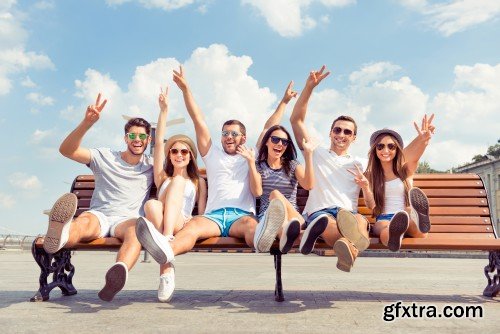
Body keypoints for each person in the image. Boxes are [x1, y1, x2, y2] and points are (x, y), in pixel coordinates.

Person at [136, 66, 272, 284]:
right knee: (192, 228)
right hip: (213, 216)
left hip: (241, 215)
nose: (228, 137)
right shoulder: (211, 153)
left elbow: (269, 128)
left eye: (234, 134)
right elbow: (198, 119)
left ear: (243, 138)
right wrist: (185, 89)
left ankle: (262, 240)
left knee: (251, 226)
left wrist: (284, 101)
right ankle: (167, 251)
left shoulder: (251, 154)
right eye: (225, 133)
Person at [44, 93, 154, 302]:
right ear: (125, 138)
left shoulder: (151, 165)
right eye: (132, 136)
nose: (137, 140)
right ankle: (61, 236)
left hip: (127, 220)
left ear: (149, 140)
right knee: (83, 222)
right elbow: (66, 150)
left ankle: (118, 272)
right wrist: (87, 123)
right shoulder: (104, 156)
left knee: (136, 232)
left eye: (142, 137)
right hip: (100, 215)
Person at [290, 65, 372, 272]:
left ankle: (349, 250)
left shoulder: (361, 162)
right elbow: (296, 120)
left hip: (348, 213)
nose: (341, 134)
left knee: (360, 221)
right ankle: (351, 250)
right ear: (330, 132)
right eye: (337, 130)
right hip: (321, 212)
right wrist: (309, 87)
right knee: (328, 224)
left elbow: (391, 169)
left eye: (347, 132)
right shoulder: (316, 151)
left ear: (354, 137)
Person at [138, 86, 207, 302]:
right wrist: (164, 110)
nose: (178, 154)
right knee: (151, 205)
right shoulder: (162, 178)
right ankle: (166, 270)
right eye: (174, 151)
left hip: (181, 223)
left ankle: (165, 241)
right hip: (161, 220)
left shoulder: (198, 181)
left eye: (184, 151)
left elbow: (202, 213)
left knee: (177, 182)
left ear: (190, 156)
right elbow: (158, 143)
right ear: (170, 155)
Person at [252, 81, 318, 254]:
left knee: (278, 199)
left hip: (294, 216)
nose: (279, 144)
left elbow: (309, 185)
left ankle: (292, 230)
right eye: (275, 139)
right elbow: (268, 127)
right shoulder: (259, 165)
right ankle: (298, 237)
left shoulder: (292, 165)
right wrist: (284, 101)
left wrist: (309, 155)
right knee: (277, 212)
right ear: (266, 142)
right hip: (268, 218)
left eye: (284, 141)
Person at [351, 116, 435, 252]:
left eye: (391, 146)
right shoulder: (370, 175)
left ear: (397, 150)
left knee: (412, 223)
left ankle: (416, 219)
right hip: (384, 217)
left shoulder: (406, 170)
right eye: (380, 146)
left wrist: (423, 140)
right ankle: (395, 234)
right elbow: (371, 206)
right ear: (375, 149)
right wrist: (366, 188)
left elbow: (414, 155)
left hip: (406, 215)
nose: (385, 150)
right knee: (384, 229)